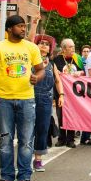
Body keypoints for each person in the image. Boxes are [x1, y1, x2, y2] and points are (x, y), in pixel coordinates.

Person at [0, 15, 44, 181]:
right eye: (20, 26)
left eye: (24, 26)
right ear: (9, 29)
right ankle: (6, 177)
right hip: (4, 100)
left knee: (26, 141)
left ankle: (24, 178)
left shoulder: (31, 47)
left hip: (27, 100)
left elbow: (41, 70)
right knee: (5, 140)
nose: (23, 29)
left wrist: (37, 77)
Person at [32, 34, 62, 172]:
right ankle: (24, 159)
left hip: (45, 100)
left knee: (42, 128)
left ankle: (38, 159)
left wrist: (61, 95)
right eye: (41, 43)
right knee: (27, 129)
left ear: (50, 48)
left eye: (47, 44)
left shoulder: (52, 64)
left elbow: (58, 81)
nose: (44, 46)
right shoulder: (30, 60)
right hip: (30, 98)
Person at [53, 38, 84, 148]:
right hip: (60, 92)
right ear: (64, 49)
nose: (73, 49)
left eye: (73, 46)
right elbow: (54, 74)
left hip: (73, 93)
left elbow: (84, 71)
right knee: (61, 115)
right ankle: (62, 138)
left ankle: (70, 139)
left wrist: (79, 72)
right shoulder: (57, 60)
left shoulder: (77, 59)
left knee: (72, 115)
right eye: (70, 47)